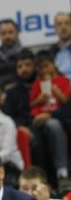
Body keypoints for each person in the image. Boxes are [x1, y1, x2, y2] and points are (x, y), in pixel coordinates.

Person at [30, 50, 70, 183]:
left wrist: (53, 88)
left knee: (53, 124)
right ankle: (41, 178)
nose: (44, 71)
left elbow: (65, 100)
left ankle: (62, 172)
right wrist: (40, 99)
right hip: (38, 118)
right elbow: (31, 103)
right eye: (40, 68)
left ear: (54, 64)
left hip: (57, 118)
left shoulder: (63, 80)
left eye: (46, 66)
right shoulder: (37, 84)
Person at [51, 12, 71, 82]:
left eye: (67, 23)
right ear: (55, 29)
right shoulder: (51, 52)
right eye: (59, 24)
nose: (63, 27)